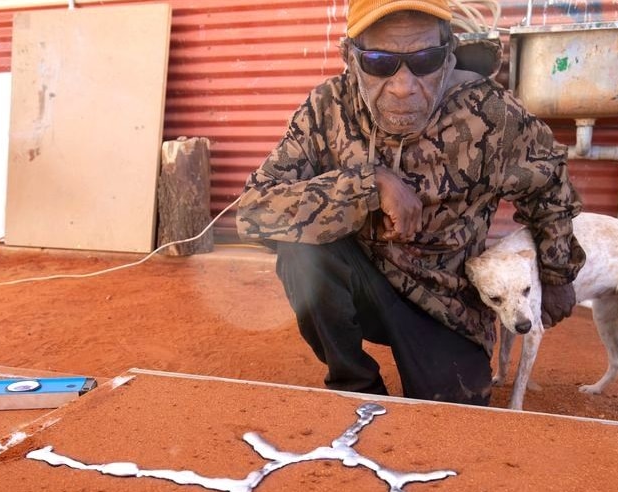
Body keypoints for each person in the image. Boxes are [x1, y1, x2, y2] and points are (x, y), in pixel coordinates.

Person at [236, 0, 586, 406]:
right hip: (363, 286)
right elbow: (255, 209)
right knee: (301, 251)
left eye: (425, 60)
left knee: (451, 419)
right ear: (349, 57)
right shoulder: (326, 110)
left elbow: (550, 185)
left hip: (447, 305)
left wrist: (560, 273)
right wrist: (367, 183)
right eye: (380, 62)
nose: (403, 86)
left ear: (449, 53)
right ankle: (354, 386)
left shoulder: (491, 114)